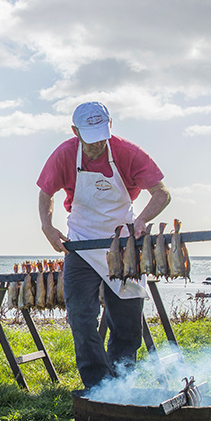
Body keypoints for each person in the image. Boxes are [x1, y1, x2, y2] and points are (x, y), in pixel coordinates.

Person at [37, 102, 171, 388]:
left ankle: (121, 384)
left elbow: (161, 194)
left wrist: (142, 221)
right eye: (89, 136)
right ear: (75, 131)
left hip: (123, 245)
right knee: (81, 317)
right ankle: (97, 385)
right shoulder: (63, 155)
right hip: (82, 243)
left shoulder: (128, 153)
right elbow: (46, 192)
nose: (97, 143)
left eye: (101, 134)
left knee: (126, 324)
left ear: (110, 125)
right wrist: (47, 226)